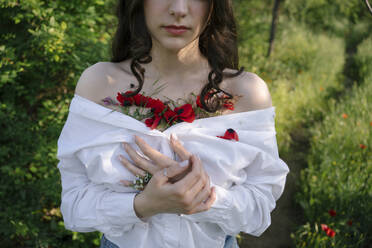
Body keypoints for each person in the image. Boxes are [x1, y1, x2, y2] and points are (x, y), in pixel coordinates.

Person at [56, 0, 290, 248]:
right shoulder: (100, 84)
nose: (179, 9)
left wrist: (202, 197)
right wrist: (143, 205)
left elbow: (260, 209)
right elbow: (74, 206)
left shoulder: (247, 93)